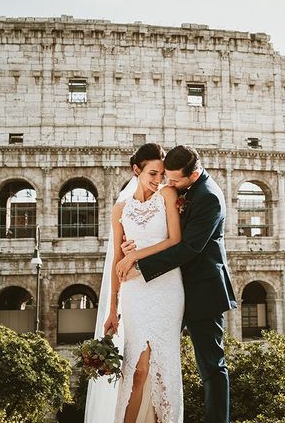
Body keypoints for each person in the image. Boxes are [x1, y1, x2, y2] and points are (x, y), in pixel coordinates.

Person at [116, 145, 237, 423]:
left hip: (203, 291)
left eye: (174, 180)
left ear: (193, 175)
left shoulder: (209, 198)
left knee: (211, 366)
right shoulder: (185, 188)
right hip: (173, 288)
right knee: (154, 358)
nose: (167, 184)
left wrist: (141, 266)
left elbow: (189, 248)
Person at [86, 142, 185, 423]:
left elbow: (174, 241)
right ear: (136, 170)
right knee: (137, 369)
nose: (158, 180)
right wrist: (111, 309)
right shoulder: (120, 209)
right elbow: (118, 260)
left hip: (166, 287)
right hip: (134, 292)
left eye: (161, 174)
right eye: (153, 174)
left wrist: (136, 256)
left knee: (162, 366)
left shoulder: (167, 195)